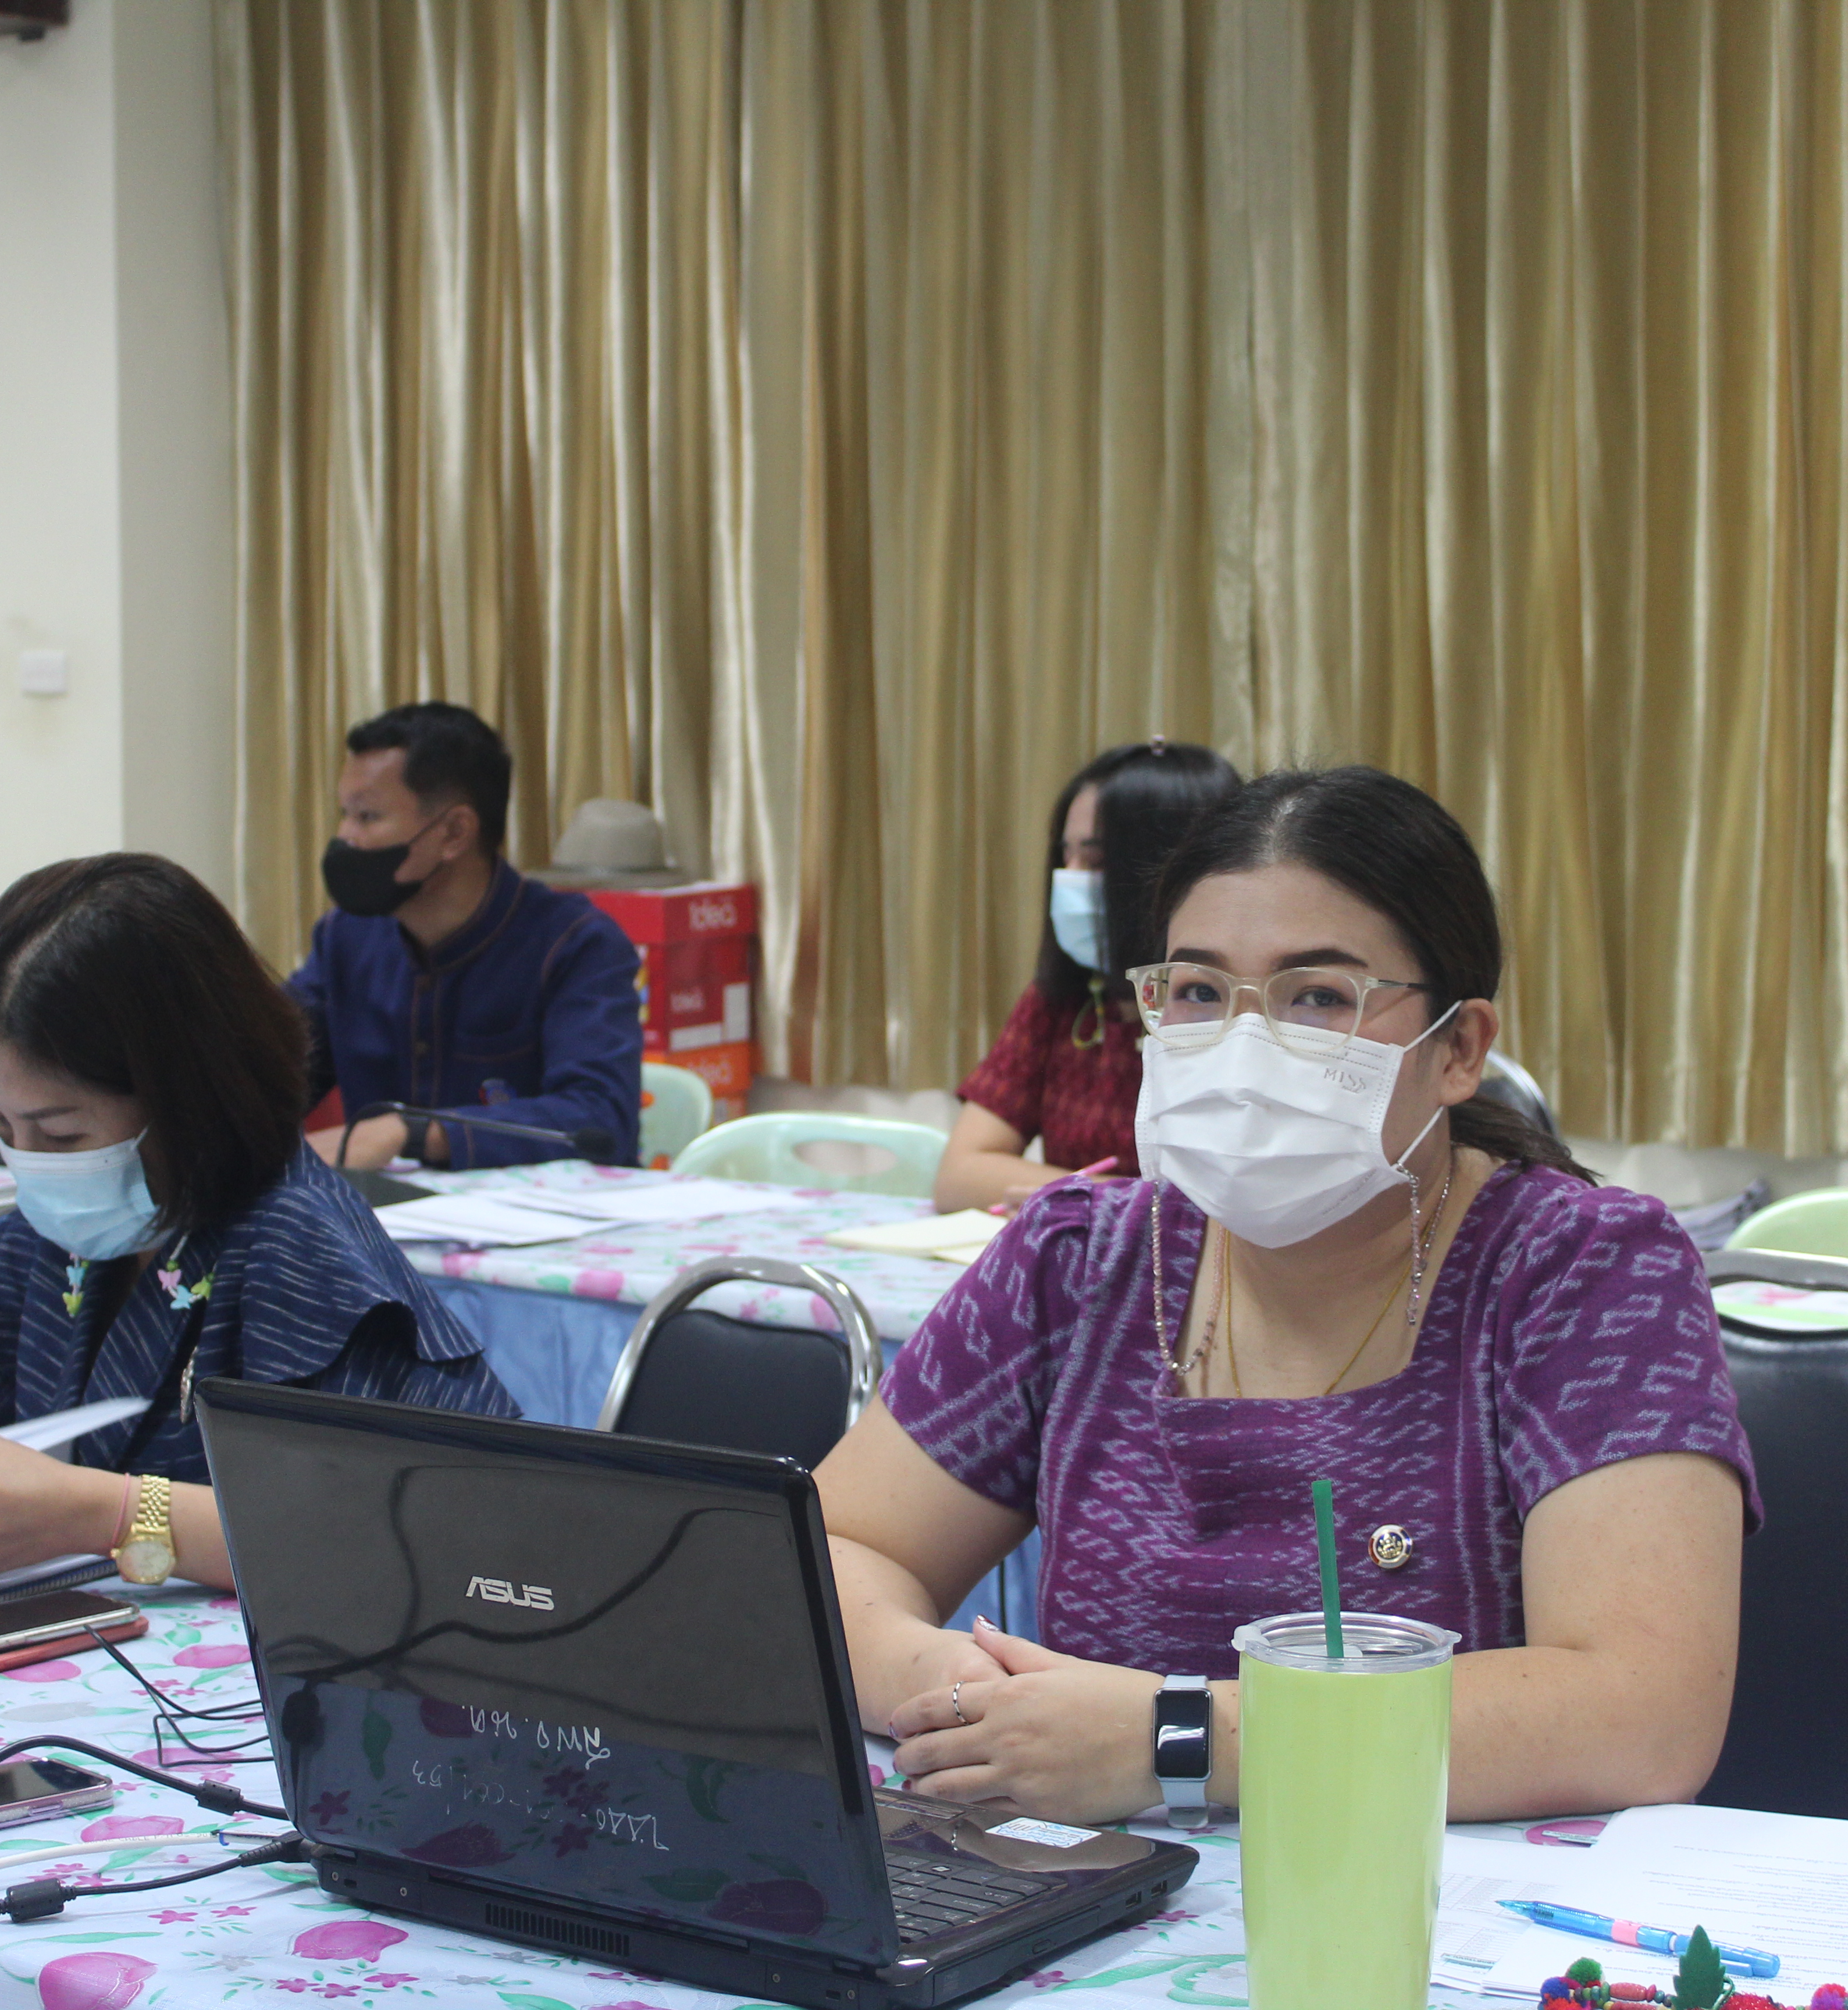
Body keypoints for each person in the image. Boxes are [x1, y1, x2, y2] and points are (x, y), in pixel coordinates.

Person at [821, 767, 1758, 1826]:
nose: (1244, 1044)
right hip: (1091, 1902)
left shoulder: (1579, 1272)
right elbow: (835, 1552)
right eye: (1198, 993)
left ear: (1457, 1049)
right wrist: (954, 1694)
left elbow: (1639, 1710)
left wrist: (1170, 1740)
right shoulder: (1076, 1263)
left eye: (1317, 996)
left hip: (1431, 1915)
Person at [0, 853, 519, 1592]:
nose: (31, 1161)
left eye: (61, 1133)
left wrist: (108, 1515)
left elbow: (361, 1537)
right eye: (0, 1126)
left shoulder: (298, 1248)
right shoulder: (70, 1225)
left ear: (185, 1091)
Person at [294, 703, 644, 1171]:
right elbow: (270, 1065)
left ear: (455, 832)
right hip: (392, 1226)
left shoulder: (577, 945)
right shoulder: (345, 938)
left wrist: (413, 1132)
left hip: (543, 1229)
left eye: (367, 817)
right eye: (345, 814)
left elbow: (599, 1121)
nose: (345, 837)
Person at [932, 740, 1241, 1212]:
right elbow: (961, 1175)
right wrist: (1099, 1200)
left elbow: (1235, 1204)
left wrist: (1082, 1200)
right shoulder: (1067, 999)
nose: (1069, 879)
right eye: (1066, 857)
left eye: (1096, 863)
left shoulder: (1239, 1012)